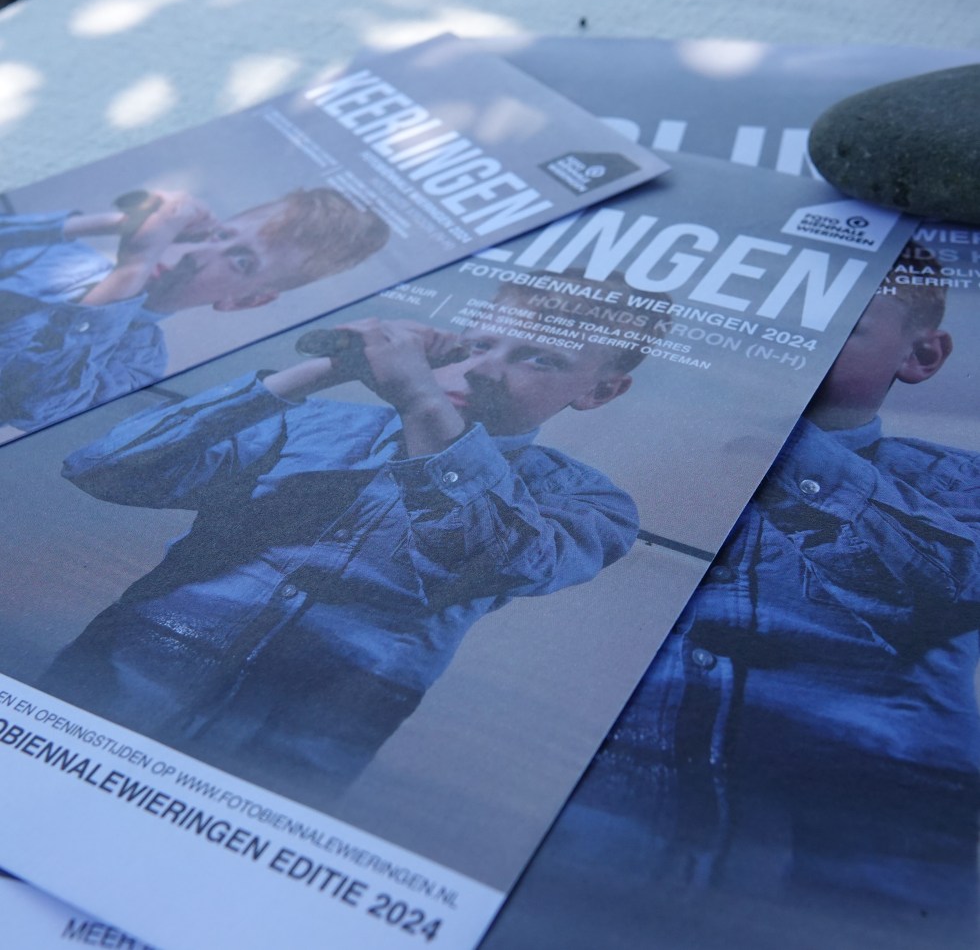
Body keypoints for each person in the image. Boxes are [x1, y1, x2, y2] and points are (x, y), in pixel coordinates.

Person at [484, 257, 980, 949]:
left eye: (836, 329)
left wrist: (791, 447)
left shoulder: (954, 481)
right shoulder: (615, 457)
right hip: (606, 825)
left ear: (920, 355)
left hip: (862, 854)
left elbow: (951, 585)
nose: (788, 351)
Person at [41, 279, 644, 805]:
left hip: (303, 734)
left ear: (599, 391)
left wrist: (421, 400)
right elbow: (102, 467)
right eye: (480, 343)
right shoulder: (304, 421)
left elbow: (491, 555)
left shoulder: (588, 502)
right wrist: (325, 368)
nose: (482, 370)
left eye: (540, 358)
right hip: (117, 674)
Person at [0, 188, 388, 432]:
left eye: (241, 261)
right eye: (221, 234)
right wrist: (119, 223)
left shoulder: (139, 363)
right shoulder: (65, 256)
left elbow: (32, 398)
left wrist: (132, 269)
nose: (197, 253)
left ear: (245, 300)